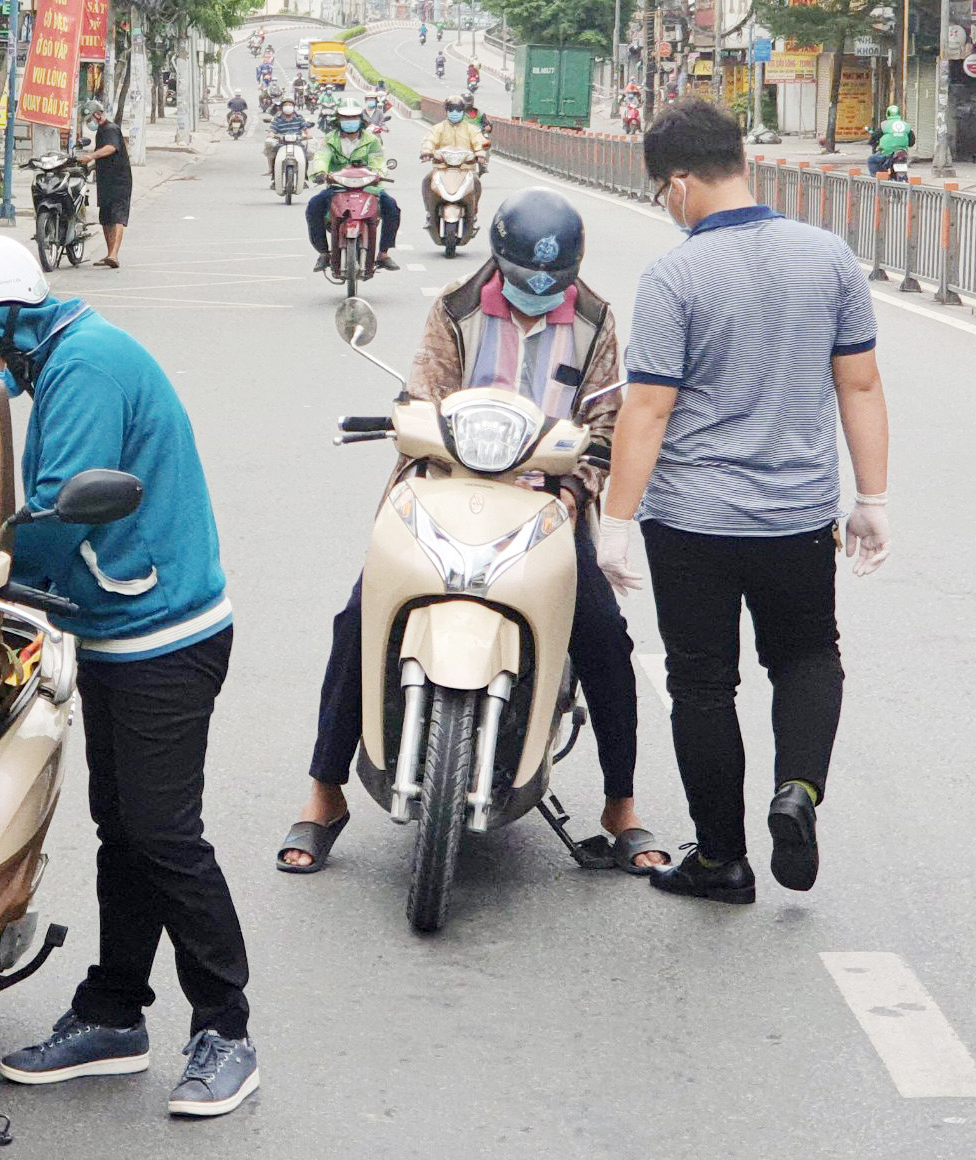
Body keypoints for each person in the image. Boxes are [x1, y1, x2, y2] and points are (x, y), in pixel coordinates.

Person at [0, 235, 257, 1118]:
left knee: (163, 833)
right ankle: (114, 1014)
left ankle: (227, 1030)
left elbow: (56, 516)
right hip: (119, 628)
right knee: (122, 830)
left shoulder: (84, 368)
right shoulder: (66, 354)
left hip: (163, 637)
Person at [277, 189, 669, 874]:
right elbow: (422, 396)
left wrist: (578, 492)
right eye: (525, 283)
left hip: (548, 506)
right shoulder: (454, 308)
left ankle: (621, 807)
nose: (539, 296)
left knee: (606, 638)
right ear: (500, 264)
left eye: (555, 284)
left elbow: (605, 423)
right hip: (444, 492)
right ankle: (324, 794)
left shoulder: (597, 321)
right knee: (357, 621)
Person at [598, 101, 890, 905]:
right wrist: (872, 499)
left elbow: (648, 409)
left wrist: (614, 525)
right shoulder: (828, 257)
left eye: (663, 190)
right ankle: (798, 789)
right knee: (806, 656)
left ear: (681, 183)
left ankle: (721, 859)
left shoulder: (673, 275)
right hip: (796, 515)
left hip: (691, 519)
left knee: (701, 683)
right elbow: (859, 383)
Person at [306, 99, 402, 273]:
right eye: (345, 117)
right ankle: (323, 253)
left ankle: (383, 253)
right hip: (337, 186)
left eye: (353, 117)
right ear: (338, 119)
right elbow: (321, 157)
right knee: (314, 206)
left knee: (391, 207)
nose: (349, 121)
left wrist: (378, 173)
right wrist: (320, 172)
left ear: (361, 119)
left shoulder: (371, 139)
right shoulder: (329, 139)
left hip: (368, 187)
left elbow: (378, 160)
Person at [417, 94, 490, 239]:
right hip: (441, 169)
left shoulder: (471, 129)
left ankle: (473, 213)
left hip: (466, 169)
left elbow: (479, 142)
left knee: (477, 183)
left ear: (463, 111)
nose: (454, 113)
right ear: (446, 111)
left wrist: (480, 154)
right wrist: (427, 152)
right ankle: (429, 212)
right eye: (451, 109)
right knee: (426, 181)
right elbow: (429, 141)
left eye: (457, 109)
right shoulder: (438, 129)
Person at [79, 100, 132, 269]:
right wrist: (90, 166)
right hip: (105, 181)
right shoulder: (101, 131)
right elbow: (105, 158)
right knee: (106, 217)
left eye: (90, 119)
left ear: (98, 114)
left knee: (117, 216)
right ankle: (109, 254)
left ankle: (114, 255)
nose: (90, 123)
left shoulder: (110, 129)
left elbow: (111, 148)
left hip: (119, 181)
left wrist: (90, 156)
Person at [264, 97, 311, 180]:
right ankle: (275, 178)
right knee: (274, 156)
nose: (288, 106)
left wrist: (308, 134)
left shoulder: (299, 118)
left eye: (290, 105)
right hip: (282, 143)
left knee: (304, 157)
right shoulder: (278, 119)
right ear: (282, 108)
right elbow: (272, 129)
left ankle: (303, 178)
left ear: (293, 107)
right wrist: (271, 134)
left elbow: (306, 128)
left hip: (297, 143)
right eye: (286, 105)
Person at [868, 104, 913, 175]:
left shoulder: (885, 124)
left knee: (872, 160)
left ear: (887, 114)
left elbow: (874, 136)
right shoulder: (906, 125)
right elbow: (912, 142)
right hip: (902, 153)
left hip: (887, 153)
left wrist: (871, 142)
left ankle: (878, 181)